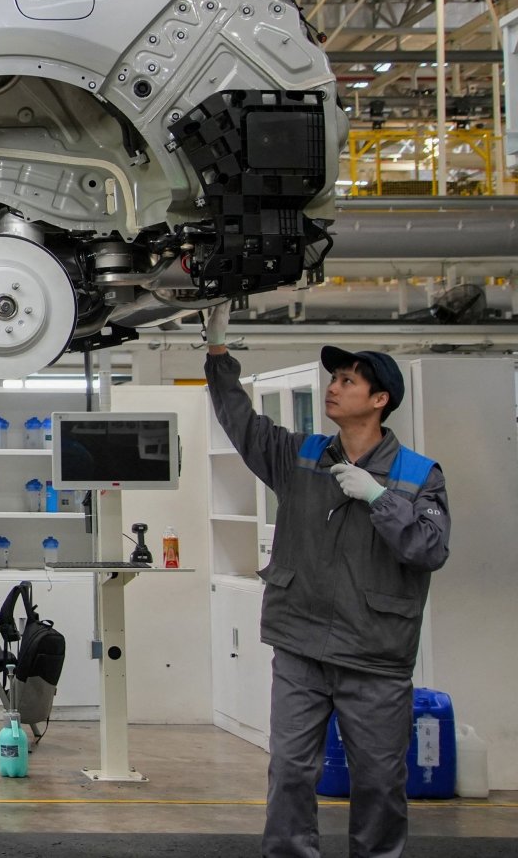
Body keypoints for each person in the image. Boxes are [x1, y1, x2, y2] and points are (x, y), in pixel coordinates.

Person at [202, 304, 450, 858]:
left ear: (379, 399)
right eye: (333, 378)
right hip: (302, 644)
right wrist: (219, 355)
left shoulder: (417, 475)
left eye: (346, 381)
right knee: (290, 770)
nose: (332, 388)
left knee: (380, 784)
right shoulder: (303, 457)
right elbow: (244, 423)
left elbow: (430, 550)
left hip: (375, 654)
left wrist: (381, 498)